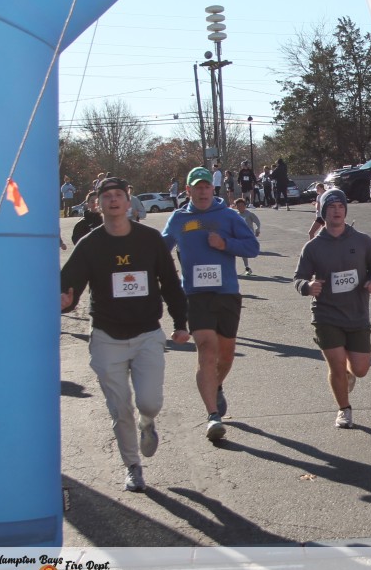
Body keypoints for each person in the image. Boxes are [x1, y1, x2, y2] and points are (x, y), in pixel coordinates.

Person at [60, 176, 190, 492]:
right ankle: (133, 466)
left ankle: (148, 422)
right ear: (98, 204)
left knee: (149, 402)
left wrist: (181, 323)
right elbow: (68, 287)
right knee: (120, 410)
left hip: (147, 334)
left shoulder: (150, 240)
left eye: (119, 195)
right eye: (107, 196)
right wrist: (65, 301)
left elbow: (170, 284)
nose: (114, 200)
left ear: (129, 202)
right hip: (107, 337)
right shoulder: (90, 244)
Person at [161, 167, 259, 441]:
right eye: (198, 187)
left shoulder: (228, 216)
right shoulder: (179, 219)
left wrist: (224, 244)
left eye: (207, 187)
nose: (203, 191)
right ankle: (213, 416)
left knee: (225, 357)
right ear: (188, 190)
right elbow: (158, 249)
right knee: (206, 349)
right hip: (195, 295)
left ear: (212, 190)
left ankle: (216, 386)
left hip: (226, 294)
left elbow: (252, 248)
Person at [293, 188, 371, 429]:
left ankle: (349, 375)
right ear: (323, 212)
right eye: (331, 207)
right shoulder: (313, 247)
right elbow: (298, 278)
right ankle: (344, 410)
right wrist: (307, 286)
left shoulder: (362, 241)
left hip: (357, 313)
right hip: (326, 315)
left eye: (341, 206)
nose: (337, 211)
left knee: (361, 369)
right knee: (336, 364)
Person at [234, 198, 260, 276]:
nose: (240, 207)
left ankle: (247, 267)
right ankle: (247, 268)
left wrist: (257, 229)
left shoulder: (249, 214)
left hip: (248, 236)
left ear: (245, 206)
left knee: (244, 252)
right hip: (239, 236)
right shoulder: (236, 215)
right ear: (236, 207)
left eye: (242, 205)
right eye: (238, 206)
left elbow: (257, 222)